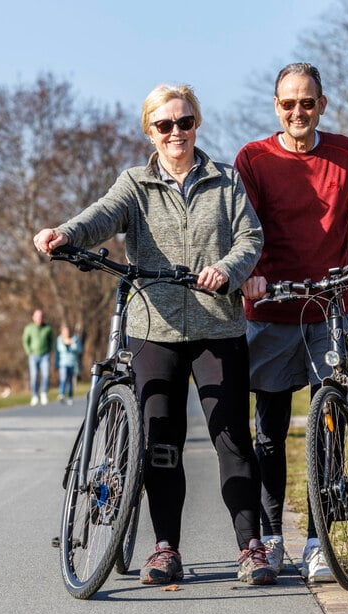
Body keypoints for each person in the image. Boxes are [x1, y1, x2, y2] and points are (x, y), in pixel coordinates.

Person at [33, 83, 275, 586]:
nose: (176, 133)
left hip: (216, 323)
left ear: (196, 124)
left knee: (231, 437)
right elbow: (101, 215)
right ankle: (166, 548)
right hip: (153, 328)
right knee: (161, 442)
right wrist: (64, 233)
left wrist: (228, 271)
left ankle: (249, 548)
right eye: (164, 125)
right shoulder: (135, 185)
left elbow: (251, 238)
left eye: (184, 122)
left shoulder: (225, 182)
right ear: (150, 130)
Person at [235, 62, 348, 582]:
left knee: (331, 421)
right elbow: (241, 227)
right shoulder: (252, 159)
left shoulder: (344, 153)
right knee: (269, 432)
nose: (297, 111)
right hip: (272, 309)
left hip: (333, 308)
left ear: (322, 104)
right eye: (287, 103)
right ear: (275, 106)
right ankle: (273, 536)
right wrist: (249, 273)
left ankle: (320, 541)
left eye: (307, 102)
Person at [22, 309, 54, 406]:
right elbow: (25, 341)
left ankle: (43, 393)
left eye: (41, 317)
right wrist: (29, 352)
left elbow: (52, 341)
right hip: (33, 355)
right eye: (37, 317)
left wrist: (49, 351)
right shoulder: (29, 328)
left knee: (46, 374)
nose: (39, 319)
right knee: (34, 376)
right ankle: (34, 395)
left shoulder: (48, 328)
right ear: (33, 318)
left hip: (44, 355)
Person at [55, 324, 82, 405]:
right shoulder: (60, 339)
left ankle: (70, 397)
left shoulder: (75, 339)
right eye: (64, 332)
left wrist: (72, 343)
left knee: (70, 381)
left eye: (67, 331)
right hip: (63, 363)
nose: (66, 333)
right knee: (63, 379)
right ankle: (62, 395)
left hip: (72, 363)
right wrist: (65, 343)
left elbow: (79, 349)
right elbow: (60, 349)